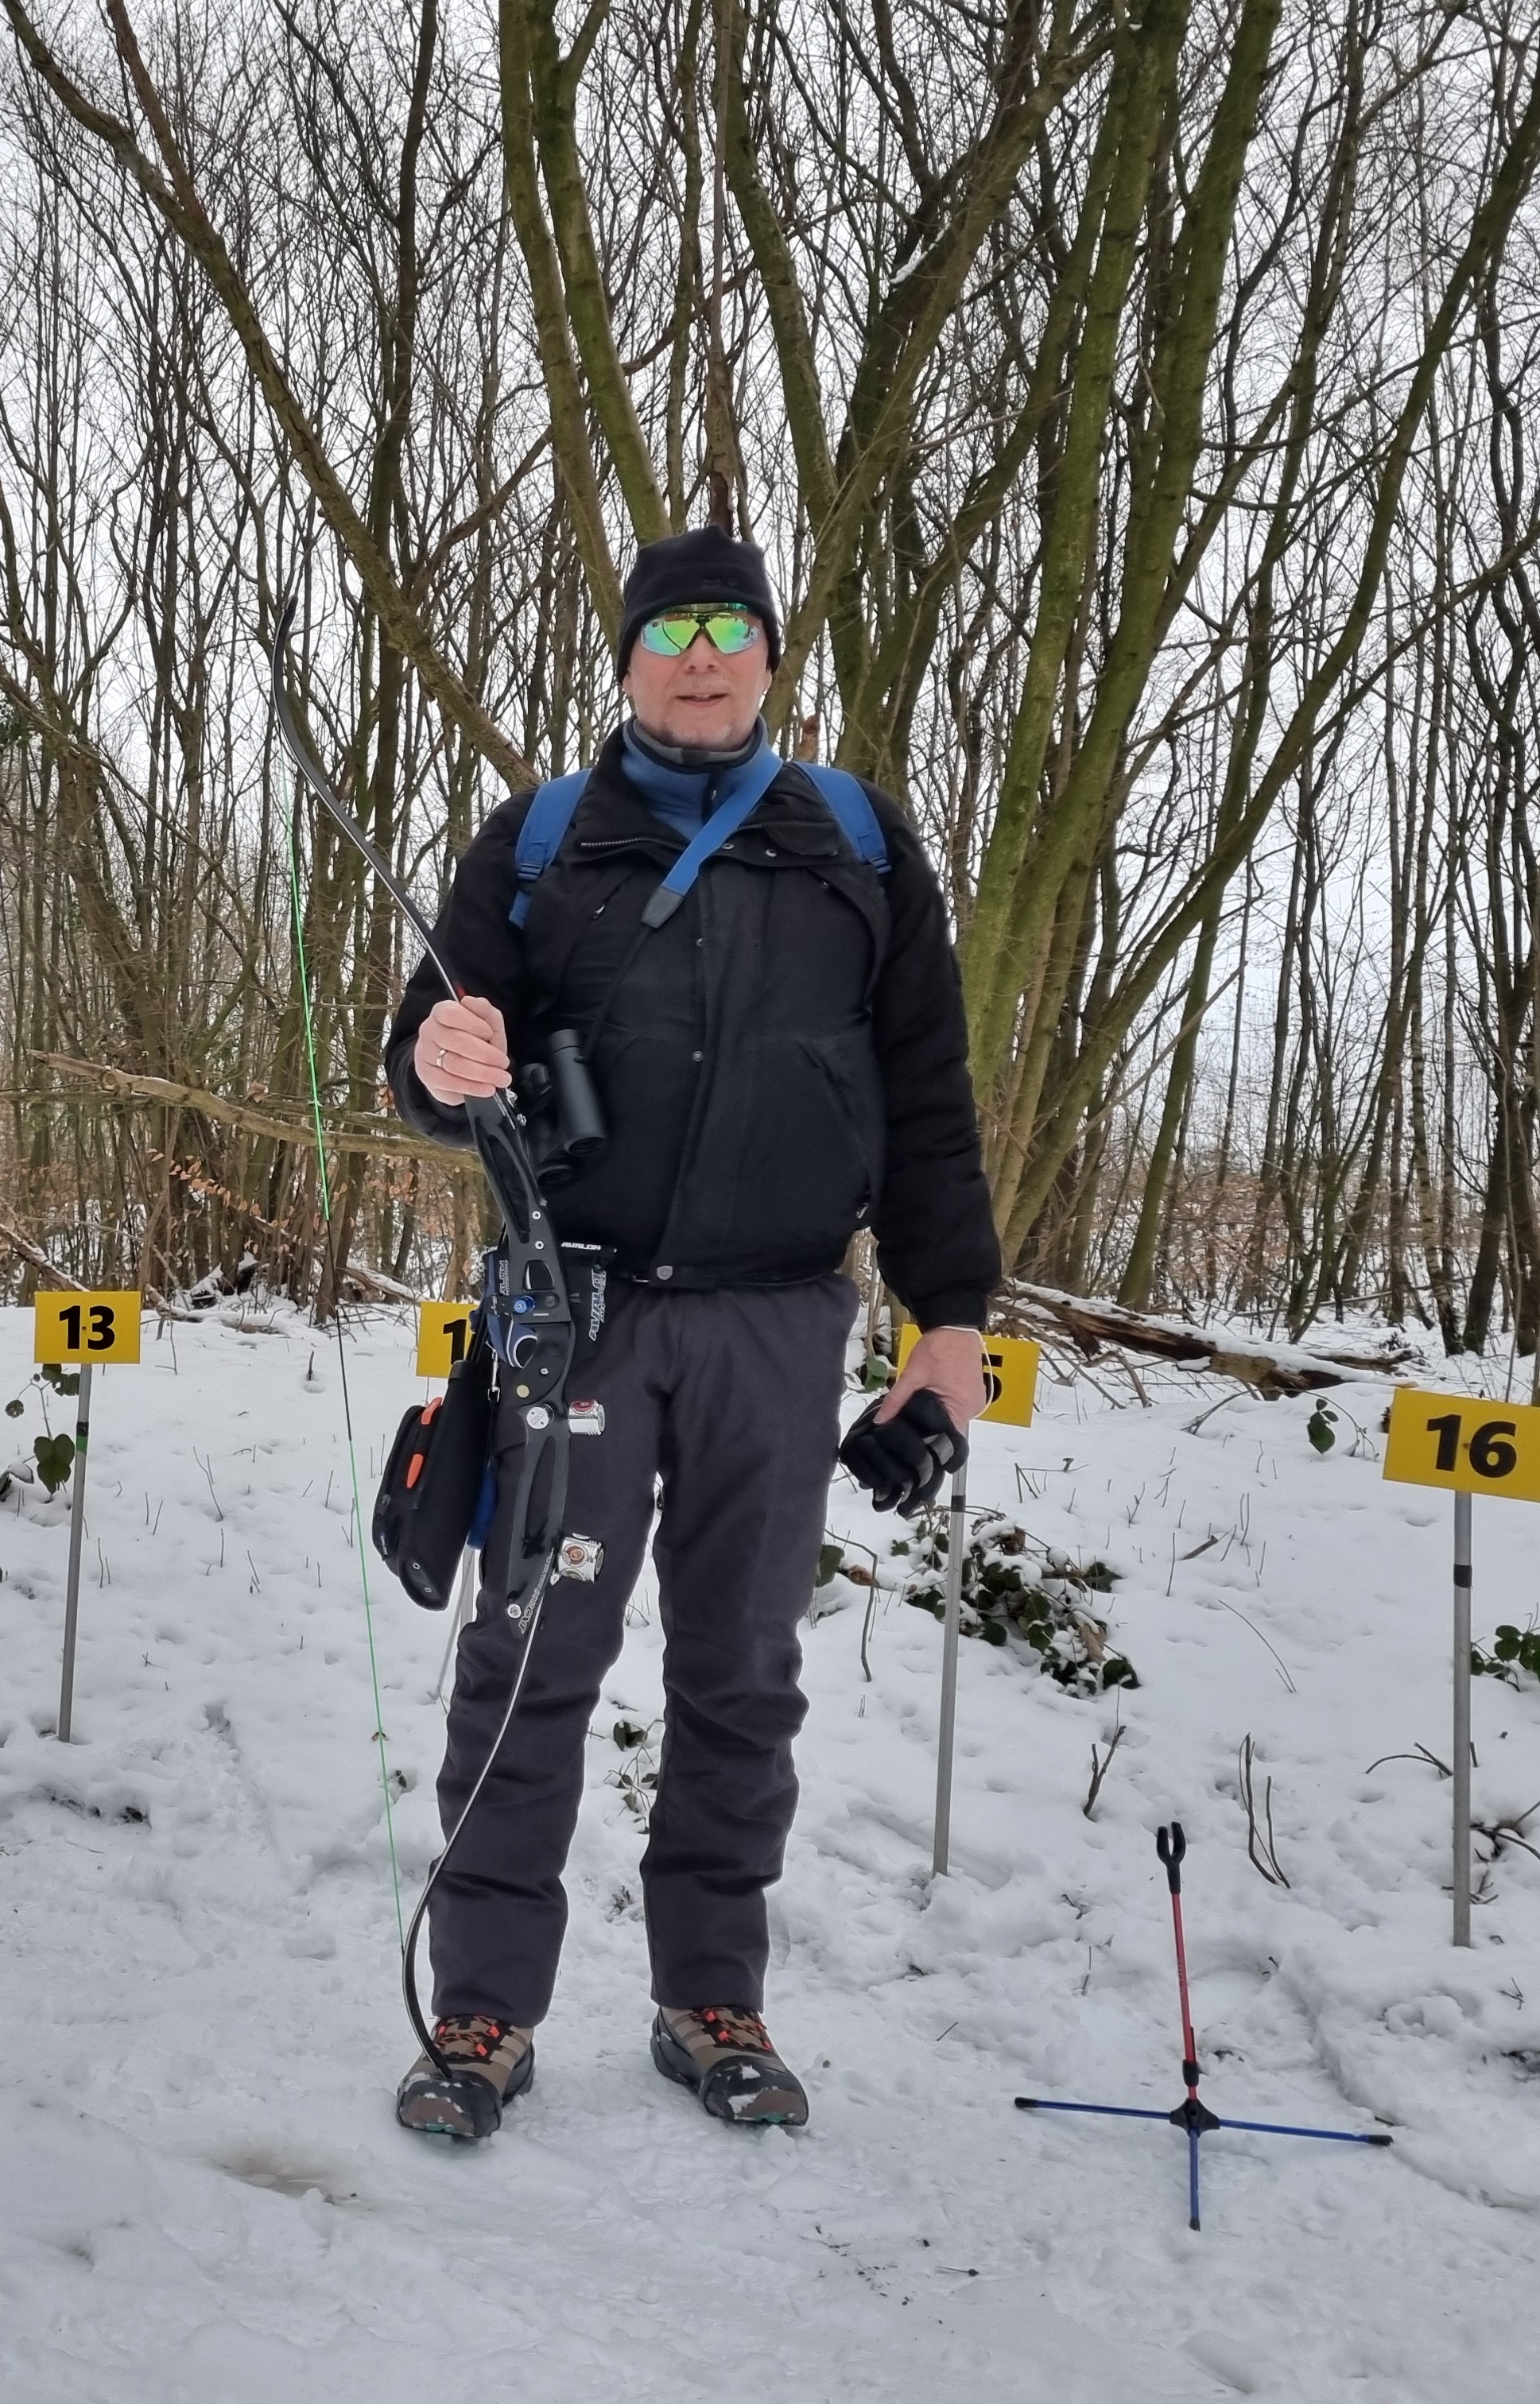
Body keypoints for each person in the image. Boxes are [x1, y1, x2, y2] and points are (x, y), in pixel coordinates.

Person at [380, 523, 999, 2140]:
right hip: (577, 1317)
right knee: (529, 1662)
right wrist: (436, 1066)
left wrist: (950, 1320)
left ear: (772, 656)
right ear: (630, 662)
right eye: (670, 632)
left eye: (731, 628)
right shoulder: (540, 838)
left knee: (742, 1669)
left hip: (782, 1326)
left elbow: (928, 1100)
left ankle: (712, 1996)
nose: (702, 657)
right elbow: (429, 1055)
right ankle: (482, 2010)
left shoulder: (859, 840)